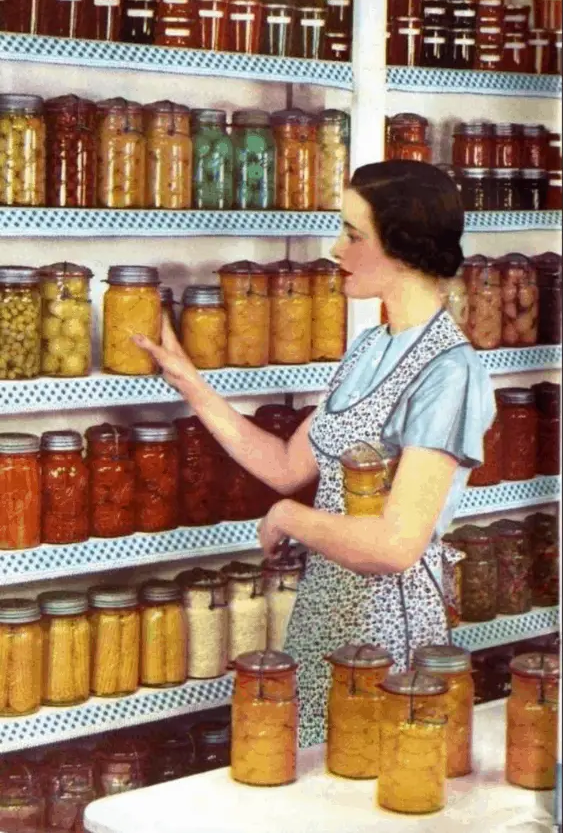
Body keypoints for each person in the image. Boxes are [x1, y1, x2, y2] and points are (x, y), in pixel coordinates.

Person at [134, 160, 496, 748]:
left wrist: (290, 519)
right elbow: (285, 465)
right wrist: (190, 382)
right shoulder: (369, 347)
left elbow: (395, 545)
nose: (335, 249)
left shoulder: (449, 372)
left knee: (367, 778)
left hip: (389, 625)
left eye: (354, 236)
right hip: (326, 603)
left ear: (402, 247)